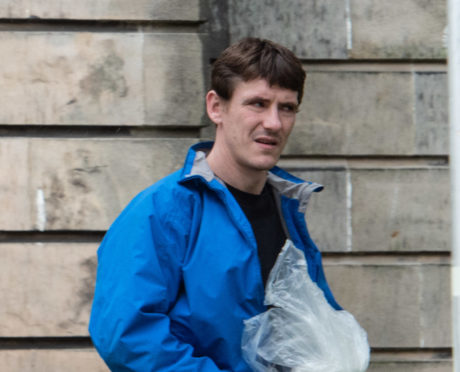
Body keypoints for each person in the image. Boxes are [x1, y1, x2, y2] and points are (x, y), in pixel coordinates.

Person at [89, 37, 341, 372]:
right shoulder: (160, 211)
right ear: (216, 107)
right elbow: (127, 338)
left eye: (287, 107)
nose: (274, 123)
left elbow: (314, 322)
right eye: (257, 104)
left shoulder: (287, 209)